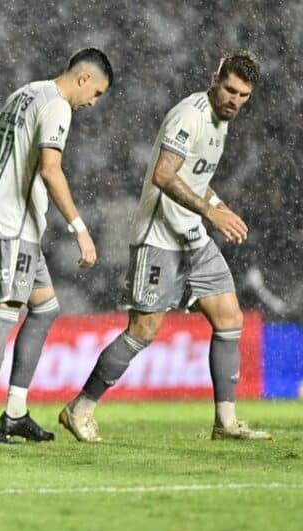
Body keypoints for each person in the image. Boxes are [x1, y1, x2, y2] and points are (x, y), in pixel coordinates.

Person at [59, 51, 271, 442]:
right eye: (229, 90)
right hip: (159, 239)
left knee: (229, 319)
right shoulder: (189, 115)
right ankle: (79, 408)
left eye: (243, 96)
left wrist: (218, 207)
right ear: (214, 79)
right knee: (143, 330)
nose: (234, 101)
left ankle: (225, 424)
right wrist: (210, 211)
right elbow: (163, 174)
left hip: (193, 238)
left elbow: (194, 177)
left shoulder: (220, 123)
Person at [0, 48, 113, 443]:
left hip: (21, 225)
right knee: (2, 313)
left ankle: (14, 412)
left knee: (46, 307)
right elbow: (51, 169)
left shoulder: (25, 93)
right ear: (84, 78)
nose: (93, 103)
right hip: (12, 226)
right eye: (97, 93)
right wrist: (79, 228)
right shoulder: (57, 107)